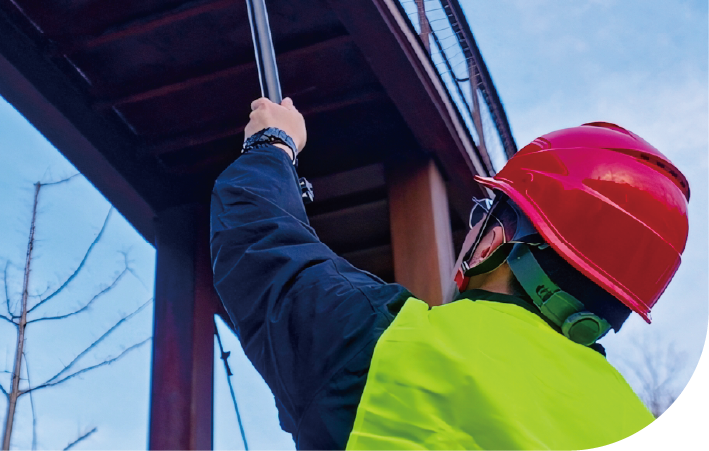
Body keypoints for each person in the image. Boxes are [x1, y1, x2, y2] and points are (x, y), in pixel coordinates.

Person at [210, 96, 690, 451]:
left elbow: (260, 246)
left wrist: (274, 142)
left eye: (485, 211)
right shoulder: (637, 422)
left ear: (495, 239)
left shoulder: (399, 348)